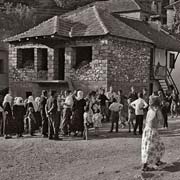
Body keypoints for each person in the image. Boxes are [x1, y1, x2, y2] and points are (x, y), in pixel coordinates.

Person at [141, 96, 165, 171]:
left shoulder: (149, 110)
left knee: (155, 146)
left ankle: (157, 161)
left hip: (147, 130)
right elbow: (161, 121)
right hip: (152, 131)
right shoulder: (156, 110)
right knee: (152, 148)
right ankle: (145, 166)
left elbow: (146, 121)